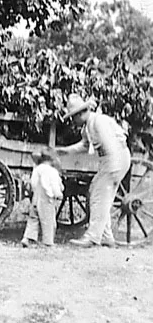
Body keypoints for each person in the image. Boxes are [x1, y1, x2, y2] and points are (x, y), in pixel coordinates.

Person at [55, 94, 131, 248]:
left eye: (73, 117)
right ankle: (106, 237)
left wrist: (110, 170)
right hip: (109, 159)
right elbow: (84, 145)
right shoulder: (88, 126)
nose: (73, 121)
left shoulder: (98, 122)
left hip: (115, 158)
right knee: (101, 195)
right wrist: (65, 151)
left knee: (99, 195)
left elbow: (110, 146)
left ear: (80, 114)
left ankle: (92, 237)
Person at [21, 148, 64, 248]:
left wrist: (35, 191)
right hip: (47, 198)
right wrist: (58, 194)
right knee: (48, 220)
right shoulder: (52, 171)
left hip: (36, 197)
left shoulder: (37, 169)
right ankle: (48, 242)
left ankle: (27, 238)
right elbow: (54, 184)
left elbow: (33, 182)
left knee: (33, 218)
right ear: (52, 160)